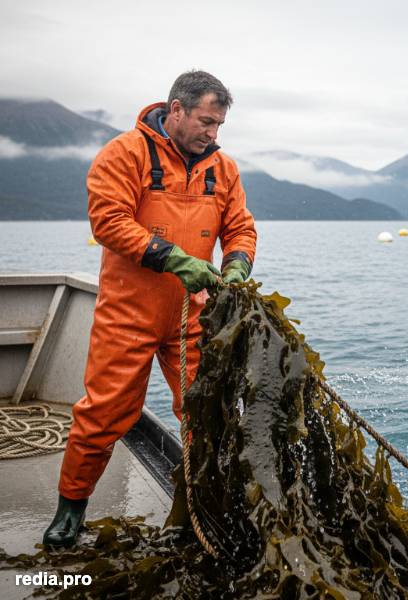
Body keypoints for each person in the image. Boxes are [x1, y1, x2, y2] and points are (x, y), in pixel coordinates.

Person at [43, 70, 257, 547]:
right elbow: (108, 221)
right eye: (205, 121)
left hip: (195, 317)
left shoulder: (223, 169)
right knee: (104, 416)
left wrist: (237, 267)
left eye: (219, 125)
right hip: (129, 313)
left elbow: (240, 227)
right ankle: (70, 510)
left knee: (206, 416)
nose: (212, 133)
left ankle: (197, 510)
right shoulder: (125, 153)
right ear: (175, 110)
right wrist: (176, 259)